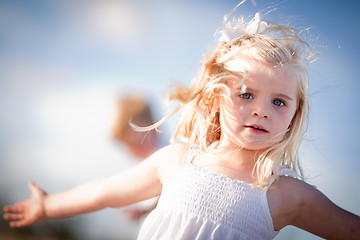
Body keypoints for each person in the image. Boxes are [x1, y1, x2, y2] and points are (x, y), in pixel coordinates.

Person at [3, 2, 360, 239]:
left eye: (279, 101)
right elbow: (103, 193)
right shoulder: (176, 161)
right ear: (217, 98)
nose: (261, 110)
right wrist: (48, 206)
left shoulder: (286, 194)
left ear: (295, 115)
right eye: (247, 94)